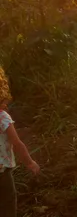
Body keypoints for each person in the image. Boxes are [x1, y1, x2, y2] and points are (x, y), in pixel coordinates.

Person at [0, 67, 40, 217]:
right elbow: (17, 143)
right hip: (2, 174)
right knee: (7, 206)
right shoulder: (3, 118)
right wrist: (29, 162)